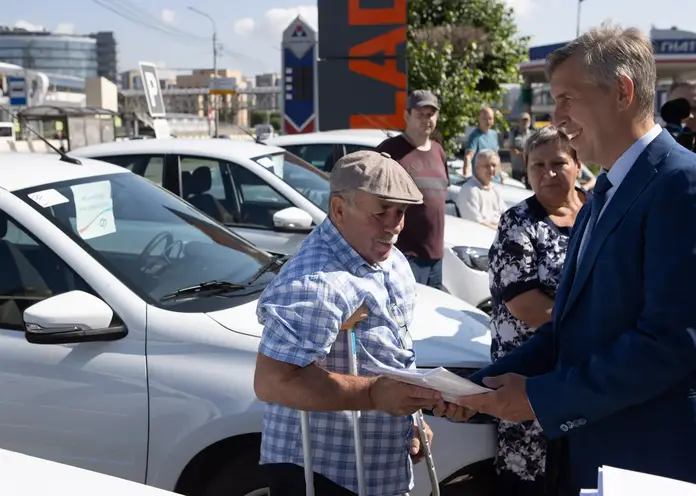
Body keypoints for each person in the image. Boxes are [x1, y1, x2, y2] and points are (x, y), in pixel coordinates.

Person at [435, 22, 696, 496]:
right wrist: (480, 388)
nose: (556, 117)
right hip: (590, 454)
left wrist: (539, 397)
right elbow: (571, 326)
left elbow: (669, 343)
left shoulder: (682, 186)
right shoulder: (605, 192)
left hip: (647, 459)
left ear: (622, 90)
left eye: (566, 98)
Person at [253, 150, 443, 496]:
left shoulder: (389, 259)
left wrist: (411, 420)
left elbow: (394, 352)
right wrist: (373, 394)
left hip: (373, 467)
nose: (394, 224)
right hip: (322, 473)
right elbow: (272, 381)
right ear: (339, 209)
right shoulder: (315, 282)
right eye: (381, 211)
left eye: (400, 211)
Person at [487, 126, 587, 496]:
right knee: (532, 476)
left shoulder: (599, 213)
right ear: (525, 170)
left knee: (582, 472)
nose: (548, 173)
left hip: (586, 371)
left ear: (578, 164)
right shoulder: (518, 223)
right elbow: (524, 304)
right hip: (529, 373)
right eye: (537, 165)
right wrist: (589, 326)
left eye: (559, 162)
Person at [375, 90, 449, 290]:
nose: (426, 119)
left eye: (430, 114)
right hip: (403, 256)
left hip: (435, 258)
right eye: (420, 114)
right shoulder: (389, 151)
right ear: (407, 115)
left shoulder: (438, 151)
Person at [456, 149, 507, 229]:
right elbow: (475, 223)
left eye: (494, 165)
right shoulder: (469, 190)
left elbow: (506, 216)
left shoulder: (495, 190)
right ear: (476, 167)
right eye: (487, 166)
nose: (491, 169)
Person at [464, 106, 500, 177]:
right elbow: (469, 156)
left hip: (495, 179)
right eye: (484, 119)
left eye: (490, 118)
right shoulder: (474, 136)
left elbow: (497, 157)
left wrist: (501, 175)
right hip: (481, 180)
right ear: (479, 119)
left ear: (493, 120)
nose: (488, 121)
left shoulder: (494, 134)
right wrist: (466, 173)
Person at [508, 112, 533, 182]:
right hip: (517, 167)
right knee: (517, 188)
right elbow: (511, 148)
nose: (524, 122)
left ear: (529, 121)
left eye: (526, 120)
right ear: (519, 121)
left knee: (530, 189)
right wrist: (521, 155)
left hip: (528, 167)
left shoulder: (532, 134)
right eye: (523, 120)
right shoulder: (514, 133)